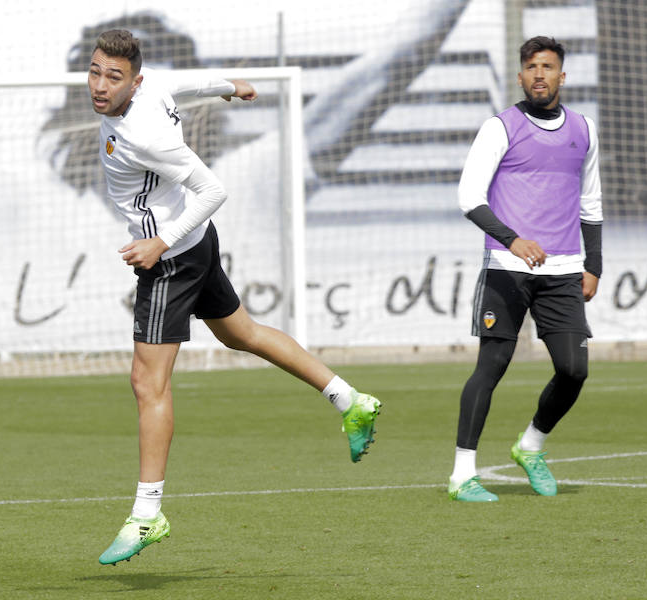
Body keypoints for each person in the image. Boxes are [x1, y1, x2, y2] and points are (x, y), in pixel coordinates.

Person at [88, 29, 382, 564]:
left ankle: (147, 514)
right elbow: (186, 84)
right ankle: (350, 400)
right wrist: (231, 86)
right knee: (241, 333)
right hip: (194, 247)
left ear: (135, 81)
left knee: (146, 381)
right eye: (95, 71)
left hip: (174, 257)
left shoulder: (146, 134)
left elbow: (213, 191)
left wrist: (160, 242)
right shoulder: (151, 90)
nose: (100, 85)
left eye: (113, 77)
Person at [447, 36, 603, 502]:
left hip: (564, 270)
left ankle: (531, 446)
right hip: (506, 267)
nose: (540, 74)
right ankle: (461, 476)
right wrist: (512, 240)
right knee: (491, 367)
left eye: (548, 66)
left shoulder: (584, 129)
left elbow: (591, 203)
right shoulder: (499, 128)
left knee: (574, 370)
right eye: (532, 66)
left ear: (562, 75)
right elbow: (469, 198)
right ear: (520, 76)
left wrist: (593, 264)